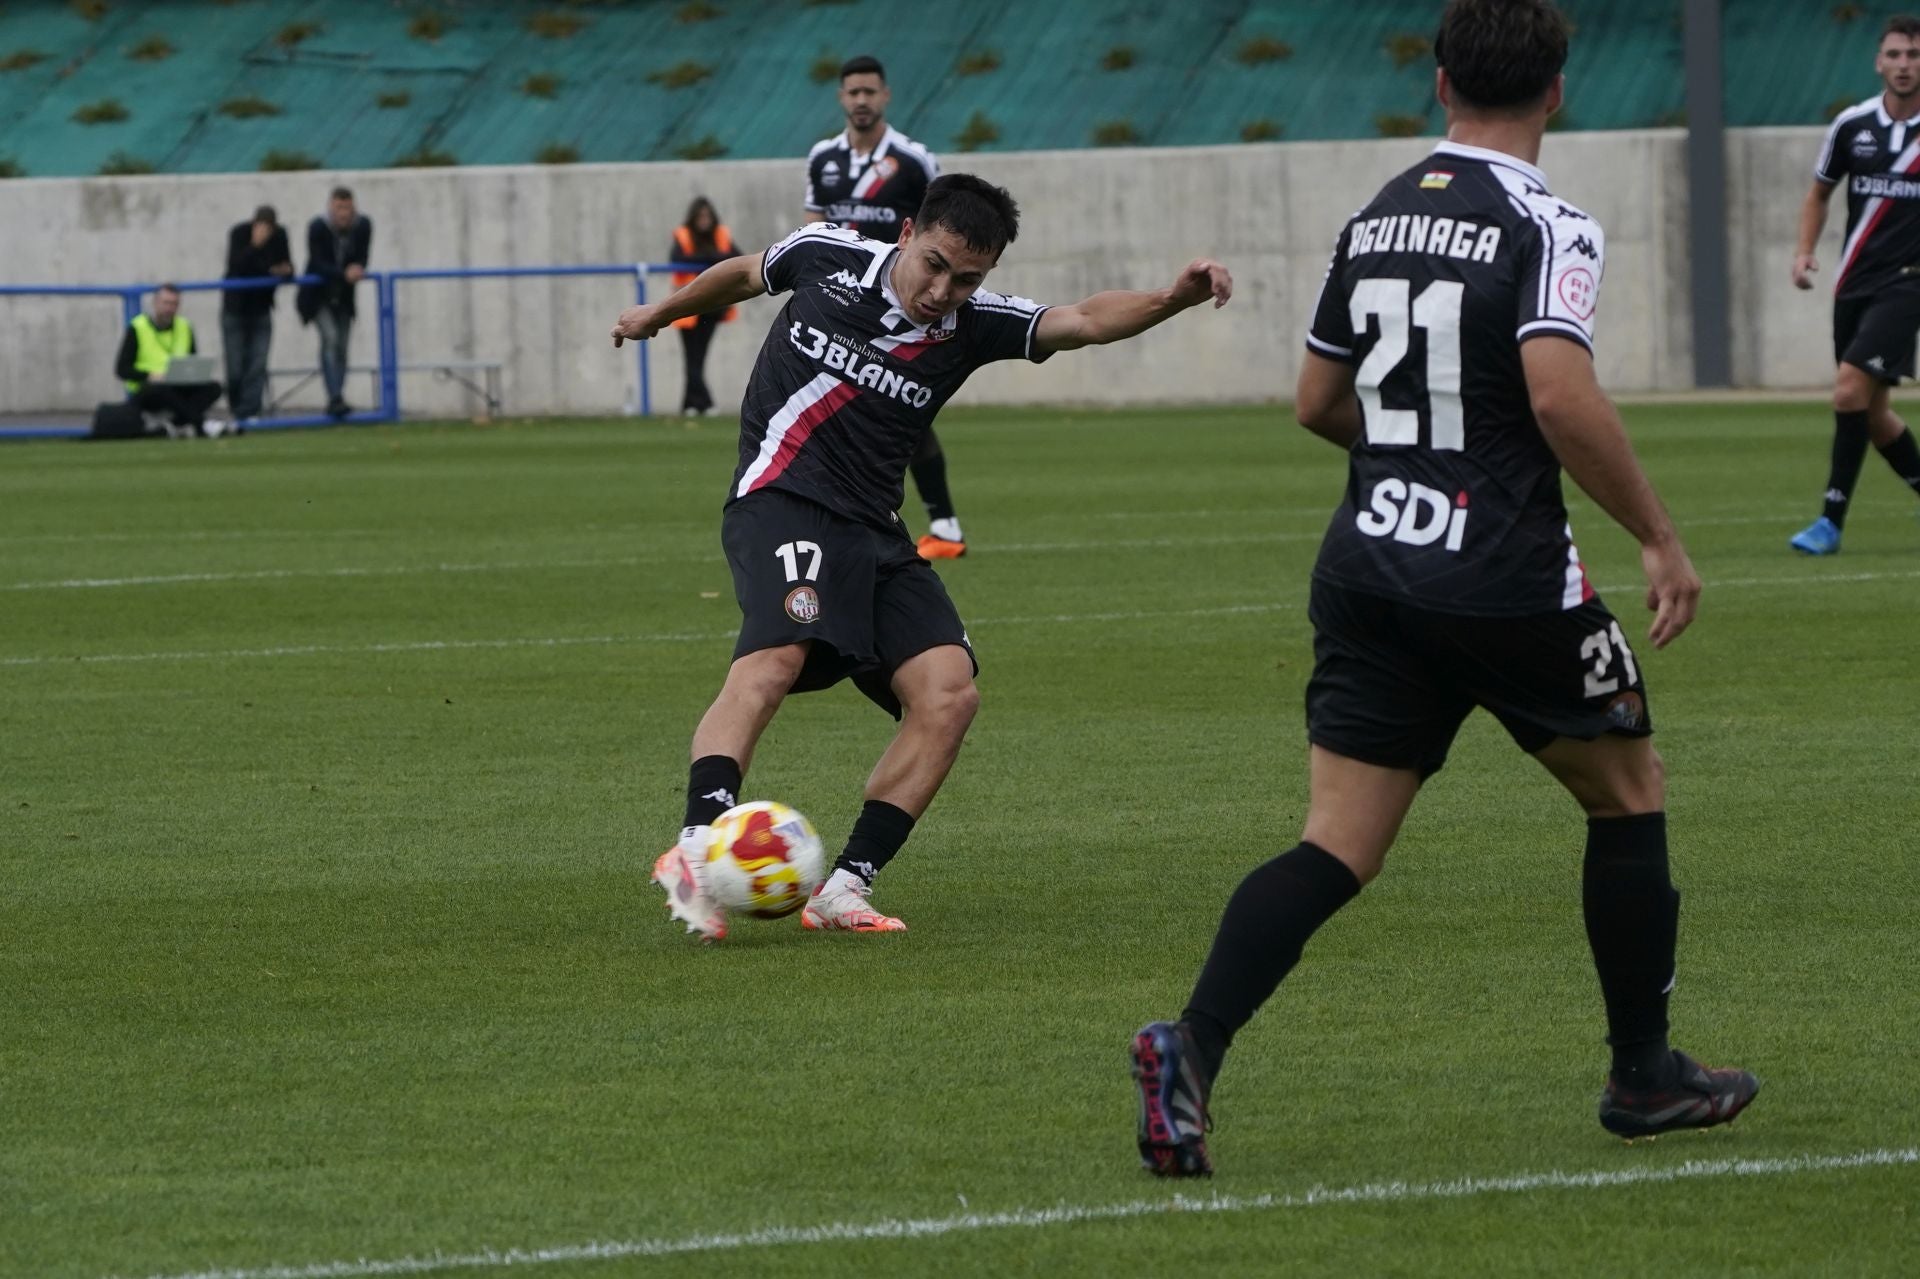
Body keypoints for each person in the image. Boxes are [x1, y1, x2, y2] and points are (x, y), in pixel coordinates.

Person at [1127, 0, 1757, 1179]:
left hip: (1368, 566)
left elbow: (1316, 404)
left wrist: (1412, 467)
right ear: (1557, 91)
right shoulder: (1550, 220)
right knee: (1627, 791)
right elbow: (1559, 395)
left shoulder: (1372, 219)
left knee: (1336, 844)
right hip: (1504, 576)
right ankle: (1644, 1073)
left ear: (1438, 83)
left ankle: (1192, 1042)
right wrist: (1660, 536)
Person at [611, 174, 1231, 940]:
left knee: (948, 692)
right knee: (776, 655)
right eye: (934, 263)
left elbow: (1082, 320)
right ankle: (697, 846)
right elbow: (743, 272)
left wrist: (1173, 298)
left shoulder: (973, 326)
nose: (943, 289)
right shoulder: (826, 253)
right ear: (907, 233)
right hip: (781, 497)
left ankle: (842, 887)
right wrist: (657, 314)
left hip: (874, 529)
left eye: (967, 277)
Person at [805, 54, 968, 561]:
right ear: (841, 97)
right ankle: (837, 521)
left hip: (898, 309)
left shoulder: (914, 160)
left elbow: (941, 228)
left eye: (869, 92)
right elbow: (811, 230)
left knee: (904, 413)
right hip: (839, 308)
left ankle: (943, 523)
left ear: (886, 95)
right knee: (829, 414)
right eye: (852, 92)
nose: (860, 100)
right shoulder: (823, 160)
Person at [1787, 14, 1920, 554]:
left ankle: (1829, 522)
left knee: (1847, 390)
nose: (1905, 65)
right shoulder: (1852, 126)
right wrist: (1803, 253)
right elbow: (1818, 194)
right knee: (1873, 412)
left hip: (1909, 283)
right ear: (1878, 61)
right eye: (1895, 55)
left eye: (1913, 55)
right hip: (1854, 283)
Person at [296, 186, 373, 420]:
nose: (344, 213)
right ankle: (335, 397)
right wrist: (343, 273)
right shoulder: (318, 227)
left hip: (344, 298)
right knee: (330, 339)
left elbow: (362, 256)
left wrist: (357, 268)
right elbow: (317, 262)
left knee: (342, 347)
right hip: (318, 296)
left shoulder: (363, 226)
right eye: (339, 208)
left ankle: (337, 396)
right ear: (331, 207)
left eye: (347, 208)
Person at [115, 283, 224, 437]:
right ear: (155, 303)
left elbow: (192, 362)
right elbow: (122, 369)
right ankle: (200, 423)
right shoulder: (137, 327)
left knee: (214, 387)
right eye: (166, 303)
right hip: (148, 387)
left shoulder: (184, 327)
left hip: (178, 384)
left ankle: (176, 424)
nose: (169, 309)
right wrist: (149, 375)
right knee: (160, 390)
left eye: (174, 304)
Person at [669, 197, 741, 417]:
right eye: (700, 216)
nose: (704, 220)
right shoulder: (683, 235)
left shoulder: (721, 234)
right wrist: (713, 258)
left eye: (707, 216)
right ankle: (702, 403)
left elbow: (737, 256)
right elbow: (678, 258)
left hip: (712, 306)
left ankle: (692, 404)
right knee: (691, 357)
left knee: (699, 357)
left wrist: (710, 258)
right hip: (687, 307)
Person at [221, 204, 293, 422]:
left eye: (268, 228)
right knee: (235, 367)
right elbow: (237, 266)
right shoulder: (239, 233)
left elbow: (288, 268)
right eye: (260, 226)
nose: (265, 231)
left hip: (261, 309)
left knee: (257, 363)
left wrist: (283, 271)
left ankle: (250, 411)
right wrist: (255, 245)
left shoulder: (280, 236)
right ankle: (237, 409)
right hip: (235, 309)